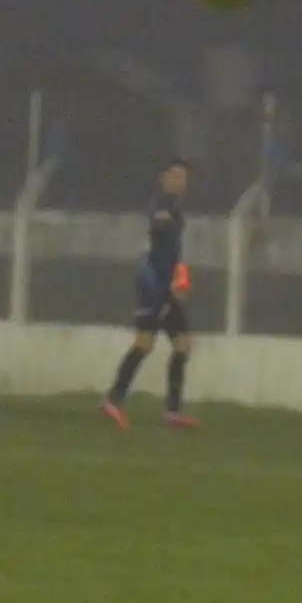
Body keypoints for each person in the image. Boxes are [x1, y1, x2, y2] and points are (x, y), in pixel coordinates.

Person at [103, 158, 199, 429]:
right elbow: (154, 242)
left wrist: (180, 281)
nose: (180, 182)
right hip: (154, 288)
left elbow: (172, 253)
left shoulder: (174, 208)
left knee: (182, 344)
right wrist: (164, 286)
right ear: (163, 179)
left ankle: (171, 410)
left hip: (165, 286)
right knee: (146, 343)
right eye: (175, 176)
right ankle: (114, 400)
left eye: (183, 177)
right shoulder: (161, 207)